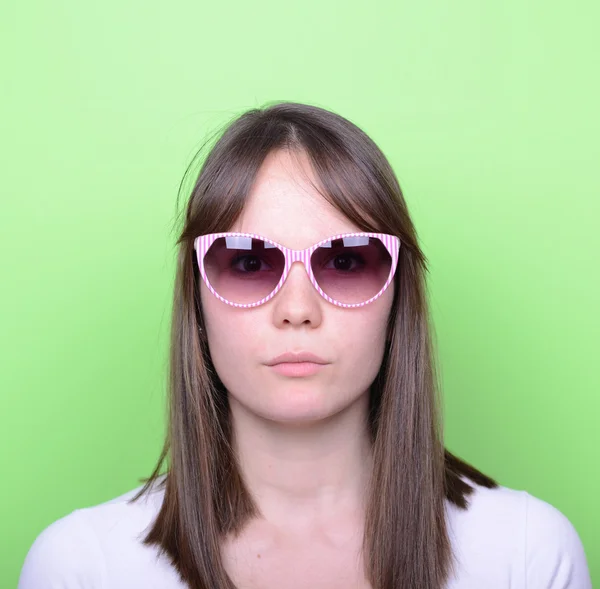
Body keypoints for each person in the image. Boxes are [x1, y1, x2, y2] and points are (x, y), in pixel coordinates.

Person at [17, 102, 592, 589]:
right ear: (196, 300)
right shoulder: (81, 568)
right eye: (248, 260)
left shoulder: (525, 555)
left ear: (398, 298)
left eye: (345, 260)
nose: (297, 310)